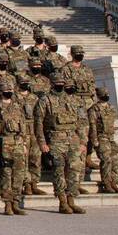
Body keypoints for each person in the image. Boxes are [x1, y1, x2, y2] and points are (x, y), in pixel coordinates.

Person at [35, 70, 85, 214]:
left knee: (74, 170)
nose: (60, 85)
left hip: (73, 138)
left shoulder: (72, 99)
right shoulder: (45, 100)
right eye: (57, 83)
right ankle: (62, 201)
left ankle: (71, 199)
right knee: (59, 171)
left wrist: (82, 141)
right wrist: (42, 142)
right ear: (51, 83)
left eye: (62, 83)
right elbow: (38, 123)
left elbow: (81, 122)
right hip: (55, 138)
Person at [0, 83, 30, 216]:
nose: (9, 92)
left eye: (10, 90)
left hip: (18, 142)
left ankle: (16, 203)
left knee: (19, 175)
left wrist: (24, 143)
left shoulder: (17, 106)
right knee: (6, 174)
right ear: (1, 92)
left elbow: (23, 125)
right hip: (4, 142)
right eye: (6, 90)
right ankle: (7, 204)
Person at [88, 87, 118, 194]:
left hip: (113, 136)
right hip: (102, 136)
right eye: (104, 94)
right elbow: (92, 125)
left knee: (115, 160)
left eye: (107, 94)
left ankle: (114, 182)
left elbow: (117, 122)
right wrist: (94, 140)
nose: (106, 96)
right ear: (99, 96)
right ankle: (106, 183)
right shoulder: (94, 109)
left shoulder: (111, 107)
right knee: (106, 159)